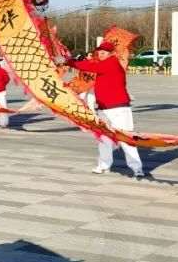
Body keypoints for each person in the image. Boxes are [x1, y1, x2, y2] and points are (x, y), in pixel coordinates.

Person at [62, 41, 146, 179]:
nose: (101, 53)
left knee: (126, 138)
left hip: (119, 109)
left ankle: (137, 168)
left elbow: (89, 66)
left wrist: (68, 61)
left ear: (111, 53)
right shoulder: (104, 65)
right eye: (99, 50)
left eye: (104, 51)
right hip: (104, 109)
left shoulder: (112, 63)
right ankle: (104, 165)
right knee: (104, 139)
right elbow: (91, 67)